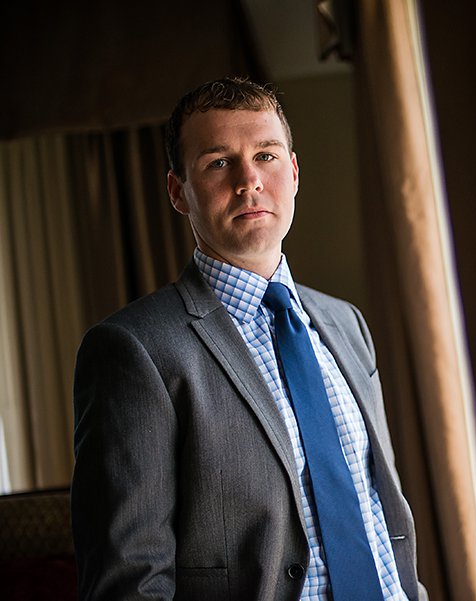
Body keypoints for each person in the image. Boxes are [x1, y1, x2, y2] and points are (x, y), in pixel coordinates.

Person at [71, 77, 427, 601]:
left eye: (266, 155)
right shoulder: (133, 350)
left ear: (295, 172)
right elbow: (130, 581)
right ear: (178, 192)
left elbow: (378, 510)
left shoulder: (346, 324)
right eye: (218, 162)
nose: (248, 181)